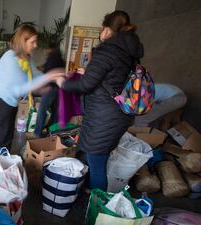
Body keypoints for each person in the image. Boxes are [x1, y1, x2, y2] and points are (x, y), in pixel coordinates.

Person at [56, 10, 144, 191]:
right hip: (117, 114)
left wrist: (62, 83)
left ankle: (97, 206)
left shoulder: (108, 50)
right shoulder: (128, 52)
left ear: (106, 30)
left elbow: (85, 86)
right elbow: (112, 78)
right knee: (93, 157)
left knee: (97, 164)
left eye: (101, 29)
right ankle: (88, 192)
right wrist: (87, 74)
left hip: (104, 117)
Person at [0, 25, 64, 149]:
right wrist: (49, 77)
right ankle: (2, 163)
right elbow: (20, 88)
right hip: (3, 103)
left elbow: (35, 73)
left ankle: (5, 159)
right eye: (33, 42)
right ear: (23, 42)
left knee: (8, 134)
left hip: (11, 102)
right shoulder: (11, 59)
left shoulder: (24, 58)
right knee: (5, 137)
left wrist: (50, 77)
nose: (35, 45)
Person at [34, 44, 66, 138]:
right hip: (59, 89)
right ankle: (52, 133)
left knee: (42, 110)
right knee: (55, 112)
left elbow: (47, 72)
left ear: (50, 49)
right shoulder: (59, 59)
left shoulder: (52, 57)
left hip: (51, 88)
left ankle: (38, 133)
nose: (45, 51)